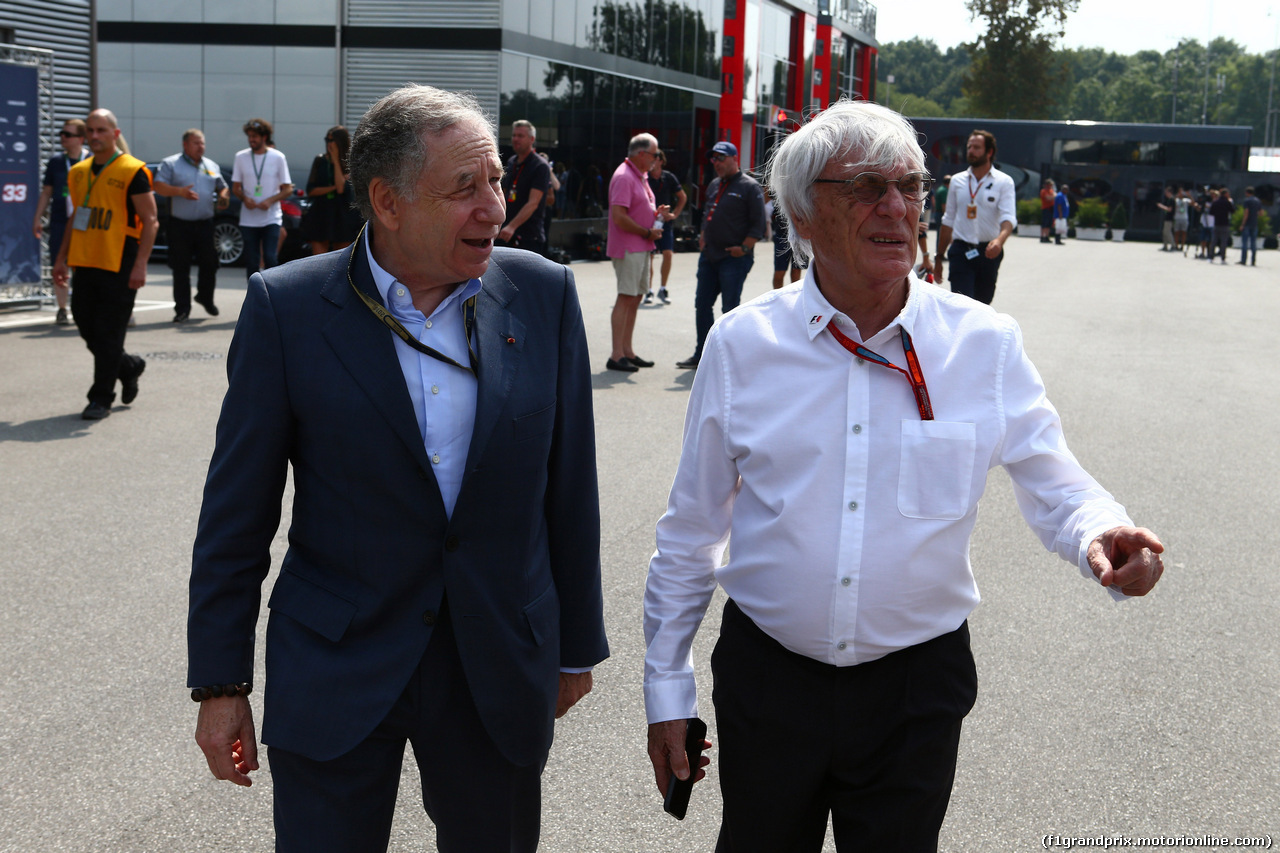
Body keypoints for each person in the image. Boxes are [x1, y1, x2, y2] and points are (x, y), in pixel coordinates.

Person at [642, 100, 1165, 852]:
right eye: (864, 187)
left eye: (911, 186)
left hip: (915, 692)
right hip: (770, 685)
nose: (897, 207)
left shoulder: (981, 343)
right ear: (803, 212)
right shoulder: (743, 345)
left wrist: (1103, 532)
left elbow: (1057, 481)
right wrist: (667, 687)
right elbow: (692, 529)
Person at [188, 84, 608, 852]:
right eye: (464, 188)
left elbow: (569, 483)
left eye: (495, 183)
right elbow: (237, 510)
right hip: (338, 660)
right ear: (387, 200)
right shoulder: (288, 308)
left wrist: (576, 643)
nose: (493, 207)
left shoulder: (543, 295)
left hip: (495, 661)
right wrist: (221, 684)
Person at [52, 109, 157, 420]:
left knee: (109, 332)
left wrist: (141, 265)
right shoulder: (79, 172)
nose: (95, 136)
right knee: (86, 325)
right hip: (85, 259)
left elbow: (150, 221)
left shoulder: (132, 169)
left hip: (119, 260)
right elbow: (76, 216)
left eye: (101, 130)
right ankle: (128, 366)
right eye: (90, 131)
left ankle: (101, 398)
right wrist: (61, 258)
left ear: (115, 133)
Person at [676, 141, 765, 371]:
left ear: (735, 159)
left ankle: (730, 359)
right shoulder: (715, 184)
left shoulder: (749, 186)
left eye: (721, 157)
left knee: (730, 309)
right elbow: (708, 213)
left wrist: (743, 249)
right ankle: (702, 355)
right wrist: (704, 236)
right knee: (702, 305)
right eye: (713, 158)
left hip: (734, 258)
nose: (716, 162)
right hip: (710, 256)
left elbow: (759, 225)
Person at [154, 129, 230, 322]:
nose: (201, 147)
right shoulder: (171, 164)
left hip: (205, 224)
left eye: (202, 143)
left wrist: (223, 196)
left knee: (210, 263)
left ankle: (204, 297)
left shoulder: (210, 165)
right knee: (180, 268)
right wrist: (179, 191)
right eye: (196, 143)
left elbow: (223, 186)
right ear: (185, 145)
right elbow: (158, 186)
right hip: (179, 225)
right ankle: (182, 309)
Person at [605, 133, 666, 372]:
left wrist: (656, 214)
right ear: (641, 153)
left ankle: (627, 351)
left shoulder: (639, 175)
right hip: (629, 246)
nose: (657, 159)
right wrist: (646, 231)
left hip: (641, 245)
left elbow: (638, 208)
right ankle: (616, 354)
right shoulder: (624, 176)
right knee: (626, 295)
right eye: (655, 154)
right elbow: (619, 217)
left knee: (635, 296)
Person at [932, 129, 1015, 305]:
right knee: (961, 305)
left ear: (989, 152)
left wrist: (999, 241)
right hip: (961, 252)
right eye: (969, 147)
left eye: (976, 147)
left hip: (989, 253)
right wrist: (939, 257)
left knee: (982, 305)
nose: (971, 151)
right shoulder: (957, 181)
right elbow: (948, 220)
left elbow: (1008, 218)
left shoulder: (1004, 182)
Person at [32, 118, 89, 325]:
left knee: (84, 266)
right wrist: (38, 217)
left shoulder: (91, 160)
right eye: (61, 134)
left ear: (81, 138)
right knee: (60, 262)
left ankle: (83, 307)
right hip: (60, 221)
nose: (62, 138)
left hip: (86, 222)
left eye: (68, 134)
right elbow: (47, 192)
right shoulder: (56, 162)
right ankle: (62, 308)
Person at [231, 118, 293, 280]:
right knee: (252, 261)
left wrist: (270, 201)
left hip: (271, 217)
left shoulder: (278, 157)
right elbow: (236, 188)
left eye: (255, 136)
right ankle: (254, 295)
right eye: (249, 136)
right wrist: (245, 198)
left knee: (270, 258)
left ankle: (272, 293)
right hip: (248, 219)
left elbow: (287, 189)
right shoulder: (241, 157)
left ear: (264, 137)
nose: (251, 139)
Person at [303, 125, 360, 254]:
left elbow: (341, 189)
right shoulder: (320, 160)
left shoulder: (350, 163)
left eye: (332, 140)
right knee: (318, 260)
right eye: (327, 140)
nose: (329, 144)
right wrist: (332, 187)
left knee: (341, 261)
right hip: (321, 212)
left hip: (342, 215)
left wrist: (335, 159)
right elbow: (311, 190)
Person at [498, 120, 552, 256]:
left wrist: (512, 227)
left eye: (520, 136)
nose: (515, 139)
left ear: (532, 139)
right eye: (514, 135)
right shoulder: (511, 162)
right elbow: (503, 194)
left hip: (529, 237)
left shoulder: (540, 166)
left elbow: (533, 203)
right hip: (506, 234)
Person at [646, 149, 687, 305]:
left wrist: (674, 214)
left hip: (665, 223)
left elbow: (682, 197)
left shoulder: (668, 177)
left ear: (661, 161)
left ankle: (663, 288)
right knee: (649, 257)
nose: (652, 161)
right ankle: (648, 291)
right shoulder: (645, 177)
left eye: (655, 158)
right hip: (649, 223)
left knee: (668, 254)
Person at [766, 187, 802, 289]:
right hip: (782, 234)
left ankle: (794, 297)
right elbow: (767, 197)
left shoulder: (801, 184)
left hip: (801, 235)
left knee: (796, 270)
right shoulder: (779, 183)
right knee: (780, 271)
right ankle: (777, 298)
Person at [1237, 186, 1261, 266]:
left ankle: (1243, 260)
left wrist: (1242, 224)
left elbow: (1246, 213)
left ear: (1247, 192)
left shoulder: (1247, 201)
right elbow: (1261, 213)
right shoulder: (1258, 201)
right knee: (1253, 244)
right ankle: (1253, 261)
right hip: (1254, 224)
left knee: (1245, 243)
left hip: (1247, 224)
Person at [1209, 187, 1234, 264]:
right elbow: (1233, 211)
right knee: (1223, 242)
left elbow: (1211, 212)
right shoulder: (1227, 202)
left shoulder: (1215, 202)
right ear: (1226, 194)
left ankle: (1211, 257)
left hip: (1217, 223)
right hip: (1225, 224)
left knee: (1214, 241)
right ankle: (1223, 258)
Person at [1157, 186, 1176, 251]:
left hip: (1169, 219)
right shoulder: (1169, 199)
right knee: (1164, 232)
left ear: (1170, 192)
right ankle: (1165, 246)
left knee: (1168, 232)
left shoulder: (1172, 200)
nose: (1165, 194)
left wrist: (1161, 206)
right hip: (1167, 218)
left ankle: (1173, 245)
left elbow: (1169, 209)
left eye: (1166, 192)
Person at [1173, 188, 1191, 254]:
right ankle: (1176, 245)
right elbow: (1172, 201)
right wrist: (1177, 196)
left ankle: (1182, 245)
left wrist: (1189, 195)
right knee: (1176, 232)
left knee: (1184, 232)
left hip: (1184, 218)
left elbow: (1193, 203)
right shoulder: (1176, 200)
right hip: (1177, 218)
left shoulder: (1186, 200)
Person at [1039, 178, 1055, 243]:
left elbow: (1052, 197)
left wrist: (1053, 196)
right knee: (1044, 224)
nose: (1050, 186)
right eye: (1049, 185)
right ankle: (1042, 237)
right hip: (1046, 209)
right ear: (1046, 185)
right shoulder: (1043, 191)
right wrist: (1053, 196)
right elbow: (1048, 198)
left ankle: (1047, 237)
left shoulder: (1051, 191)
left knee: (1049, 224)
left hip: (1051, 209)